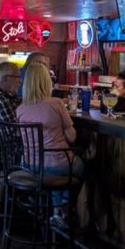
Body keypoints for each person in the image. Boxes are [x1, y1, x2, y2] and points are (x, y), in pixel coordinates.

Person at [17, 63, 82, 225]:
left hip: (28, 166)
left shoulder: (20, 109)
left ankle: (55, 211)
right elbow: (72, 137)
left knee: (53, 168)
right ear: (47, 81)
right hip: (56, 165)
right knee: (78, 167)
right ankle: (64, 206)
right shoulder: (56, 103)